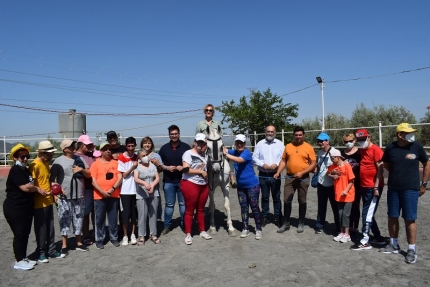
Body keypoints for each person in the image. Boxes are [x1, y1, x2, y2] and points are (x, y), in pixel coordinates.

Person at [380, 123, 429, 264]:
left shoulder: (417, 147)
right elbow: (387, 164)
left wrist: (424, 184)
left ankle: (411, 249)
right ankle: (393, 244)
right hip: (394, 189)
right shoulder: (391, 147)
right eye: (408, 132)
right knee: (392, 216)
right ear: (400, 135)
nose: (412, 134)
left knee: (410, 218)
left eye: (412, 132)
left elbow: (427, 164)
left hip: (411, 189)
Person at [4, 144, 48, 270]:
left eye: (26, 156)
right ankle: (19, 260)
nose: (24, 159)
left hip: (25, 207)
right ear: (15, 158)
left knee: (25, 233)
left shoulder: (24, 170)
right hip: (15, 208)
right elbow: (26, 187)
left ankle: (23, 257)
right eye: (21, 156)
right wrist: (38, 189)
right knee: (19, 234)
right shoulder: (16, 170)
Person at [50, 139, 89, 256]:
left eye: (74, 145)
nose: (73, 147)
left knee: (78, 219)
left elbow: (89, 174)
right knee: (64, 220)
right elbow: (52, 180)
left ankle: (79, 242)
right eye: (70, 146)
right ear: (64, 149)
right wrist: (55, 194)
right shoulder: (58, 161)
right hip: (64, 197)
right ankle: (64, 245)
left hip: (79, 195)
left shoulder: (79, 159)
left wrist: (81, 169)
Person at [275, 126, 316, 233]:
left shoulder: (309, 147)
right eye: (296, 135)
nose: (298, 137)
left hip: (304, 178)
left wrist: (302, 173)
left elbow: (313, 164)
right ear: (293, 135)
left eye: (300, 135)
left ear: (303, 135)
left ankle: (301, 222)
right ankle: (286, 223)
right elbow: (283, 161)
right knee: (286, 200)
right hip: (289, 177)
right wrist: (278, 172)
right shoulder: (288, 146)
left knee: (302, 200)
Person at [223, 134, 262, 240]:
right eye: (237, 143)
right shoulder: (234, 152)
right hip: (241, 187)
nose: (239, 145)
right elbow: (224, 149)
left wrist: (227, 154)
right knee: (243, 208)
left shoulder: (246, 153)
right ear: (235, 144)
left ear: (244, 144)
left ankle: (258, 229)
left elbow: (239, 160)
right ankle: (245, 228)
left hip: (252, 186)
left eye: (241, 143)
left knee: (254, 208)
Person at [30, 140, 64, 263]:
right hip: (39, 203)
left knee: (50, 228)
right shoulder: (35, 165)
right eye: (49, 154)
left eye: (51, 154)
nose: (51, 156)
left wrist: (53, 185)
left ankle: (50, 250)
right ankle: (41, 253)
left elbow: (46, 181)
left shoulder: (45, 163)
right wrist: (39, 190)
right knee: (41, 229)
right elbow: (31, 185)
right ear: (41, 153)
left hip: (49, 200)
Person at [352, 129, 385, 251]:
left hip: (373, 187)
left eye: (363, 139)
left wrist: (376, 187)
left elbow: (380, 169)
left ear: (369, 137)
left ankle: (365, 240)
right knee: (369, 213)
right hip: (364, 186)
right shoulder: (363, 150)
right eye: (359, 140)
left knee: (366, 214)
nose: (362, 142)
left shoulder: (376, 150)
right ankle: (378, 237)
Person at [157, 125, 191, 235]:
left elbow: (191, 165)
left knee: (183, 204)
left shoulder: (186, 147)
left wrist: (183, 168)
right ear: (169, 135)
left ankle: (184, 225)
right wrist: (166, 167)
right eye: (172, 134)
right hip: (168, 181)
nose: (174, 135)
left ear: (179, 134)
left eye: (176, 133)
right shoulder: (164, 148)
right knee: (169, 205)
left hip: (183, 181)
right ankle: (167, 226)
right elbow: (159, 166)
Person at [90, 141, 123, 249]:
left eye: (109, 149)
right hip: (99, 196)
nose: (108, 151)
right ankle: (99, 239)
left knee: (113, 218)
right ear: (101, 151)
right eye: (105, 149)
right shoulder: (95, 164)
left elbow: (119, 178)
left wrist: (112, 189)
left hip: (113, 195)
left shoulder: (116, 163)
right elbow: (93, 181)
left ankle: (114, 237)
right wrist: (102, 192)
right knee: (99, 219)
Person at [181, 133, 212, 245]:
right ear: (194, 142)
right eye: (198, 142)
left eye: (202, 143)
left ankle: (202, 230)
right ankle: (188, 234)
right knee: (190, 210)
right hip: (190, 183)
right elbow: (185, 169)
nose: (200, 144)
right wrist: (200, 171)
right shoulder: (188, 153)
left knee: (201, 209)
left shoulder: (205, 155)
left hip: (203, 184)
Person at [252, 125, 284, 227]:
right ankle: (265, 217)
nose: (270, 133)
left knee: (276, 197)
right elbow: (254, 157)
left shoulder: (280, 144)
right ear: (265, 132)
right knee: (265, 197)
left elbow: (283, 158)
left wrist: (277, 164)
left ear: (275, 132)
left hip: (275, 174)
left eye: (272, 131)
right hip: (263, 174)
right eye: (268, 131)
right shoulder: (260, 144)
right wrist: (262, 164)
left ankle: (278, 217)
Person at [314, 132, 341, 235]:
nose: (320, 143)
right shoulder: (320, 152)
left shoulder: (335, 152)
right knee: (321, 205)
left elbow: (340, 166)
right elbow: (318, 164)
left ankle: (338, 227)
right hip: (321, 183)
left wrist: (332, 173)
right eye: (318, 141)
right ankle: (319, 226)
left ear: (327, 141)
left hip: (332, 184)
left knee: (335, 206)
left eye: (322, 141)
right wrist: (316, 169)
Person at [327, 149, 355, 243]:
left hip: (347, 195)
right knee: (340, 214)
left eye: (333, 158)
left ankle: (347, 234)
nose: (332, 160)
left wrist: (346, 190)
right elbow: (328, 173)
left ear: (338, 157)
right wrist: (333, 175)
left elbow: (352, 180)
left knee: (345, 215)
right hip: (338, 194)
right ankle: (342, 232)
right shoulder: (334, 166)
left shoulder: (347, 166)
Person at [134, 149, 160, 245]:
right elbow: (136, 179)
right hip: (141, 194)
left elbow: (157, 178)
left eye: (146, 155)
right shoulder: (137, 167)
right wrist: (144, 183)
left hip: (154, 193)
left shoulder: (152, 166)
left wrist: (152, 185)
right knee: (142, 215)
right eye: (143, 156)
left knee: (153, 214)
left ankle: (153, 234)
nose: (145, 157)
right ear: (139, 158)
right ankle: (141, 235)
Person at [75, 134, 96, 245]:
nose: (88, 146)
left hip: (95, 186)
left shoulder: (91, 154)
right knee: (85, 212)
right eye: (86, 144)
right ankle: (86, 235)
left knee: (95, 211)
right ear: (80, 144)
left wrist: (94, 148)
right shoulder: (75, 156)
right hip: (84, 187)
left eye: (89, 144)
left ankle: (96, 232)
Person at [117, 137, 138, 246]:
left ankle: (133, 234)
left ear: (135, 145)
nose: (130, 148)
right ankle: (125, 236)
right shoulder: (121, 158)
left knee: (134, 215)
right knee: (125, 214)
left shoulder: (137, 156)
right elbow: (124, 175)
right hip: (125, 190)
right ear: (126, 146)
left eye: (132, 146)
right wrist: (133, 167)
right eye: (128, 146)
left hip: (136, 190)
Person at [341, 133, 361, 236]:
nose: (348, 143)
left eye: (350, 141)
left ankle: (354, 227)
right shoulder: (342, 154)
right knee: (345, 207)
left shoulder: (360, 153)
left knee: (355, 206)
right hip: (344, 184)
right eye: (346, 141)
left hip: (357, 184)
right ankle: (345, 227)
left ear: (354, 141)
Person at [140, 136, 164, 220]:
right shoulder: (138, 155)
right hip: (141, 185)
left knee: (154, 206)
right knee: (142, 206)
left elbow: (160, 170)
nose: (147, 145)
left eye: (149, 143)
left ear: (152, 145)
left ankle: (154, 225)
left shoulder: (156, 156)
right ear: (142, 144)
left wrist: (157, 164)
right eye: (145, 143)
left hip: (154, 184)